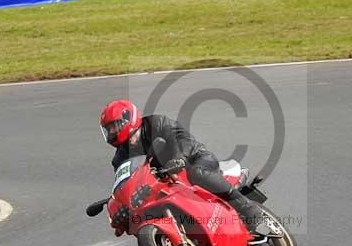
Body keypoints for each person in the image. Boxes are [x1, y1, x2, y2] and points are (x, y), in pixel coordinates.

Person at [100, 99, 263, 233]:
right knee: (143, 213)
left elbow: (180, 138)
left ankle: (248, 209)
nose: (112, 132)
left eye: (115, 126)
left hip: (194, 158)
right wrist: (121, 206)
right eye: (108, 129)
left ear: (128, 118)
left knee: (197, 173)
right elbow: (125, 181)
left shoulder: (156, 123)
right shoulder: (120, 158)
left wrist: (179, 158)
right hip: (164, 182)